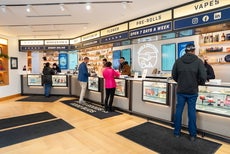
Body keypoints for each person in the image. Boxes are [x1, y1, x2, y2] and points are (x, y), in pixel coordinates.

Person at [172, 44, 207, 141]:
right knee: (191, 112)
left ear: (186, 51)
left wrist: (180, 81)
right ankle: (192, 135)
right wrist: (198, 82)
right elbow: (203, 77)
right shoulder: (198, 62)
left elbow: (174, 75)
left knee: (179, 111)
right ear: (193, 51)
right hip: (192, 91)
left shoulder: (178, 61)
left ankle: (177, 133)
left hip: (181, 90)